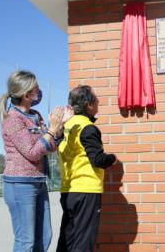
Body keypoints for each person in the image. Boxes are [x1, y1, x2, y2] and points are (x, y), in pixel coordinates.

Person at [0, 70, 73, 252]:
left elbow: (50, 147)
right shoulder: (13, 119)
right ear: (26, 94)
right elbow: (32, 153)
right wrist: (52, 130)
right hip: (20, 184)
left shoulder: (35, 115)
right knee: (26, 241)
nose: (39, 91)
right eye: (36, 88)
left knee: (44, 236)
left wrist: (60, 127)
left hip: (38, 182)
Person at [56, 85, 120, 252]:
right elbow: (97, 159)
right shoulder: (87, 128)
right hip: (86, 190)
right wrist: (112, 159)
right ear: (89, 105)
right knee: (84, 241)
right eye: (96, 99)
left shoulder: (66, 126)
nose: (99, 101)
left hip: (68, 190)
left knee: (67, 239)